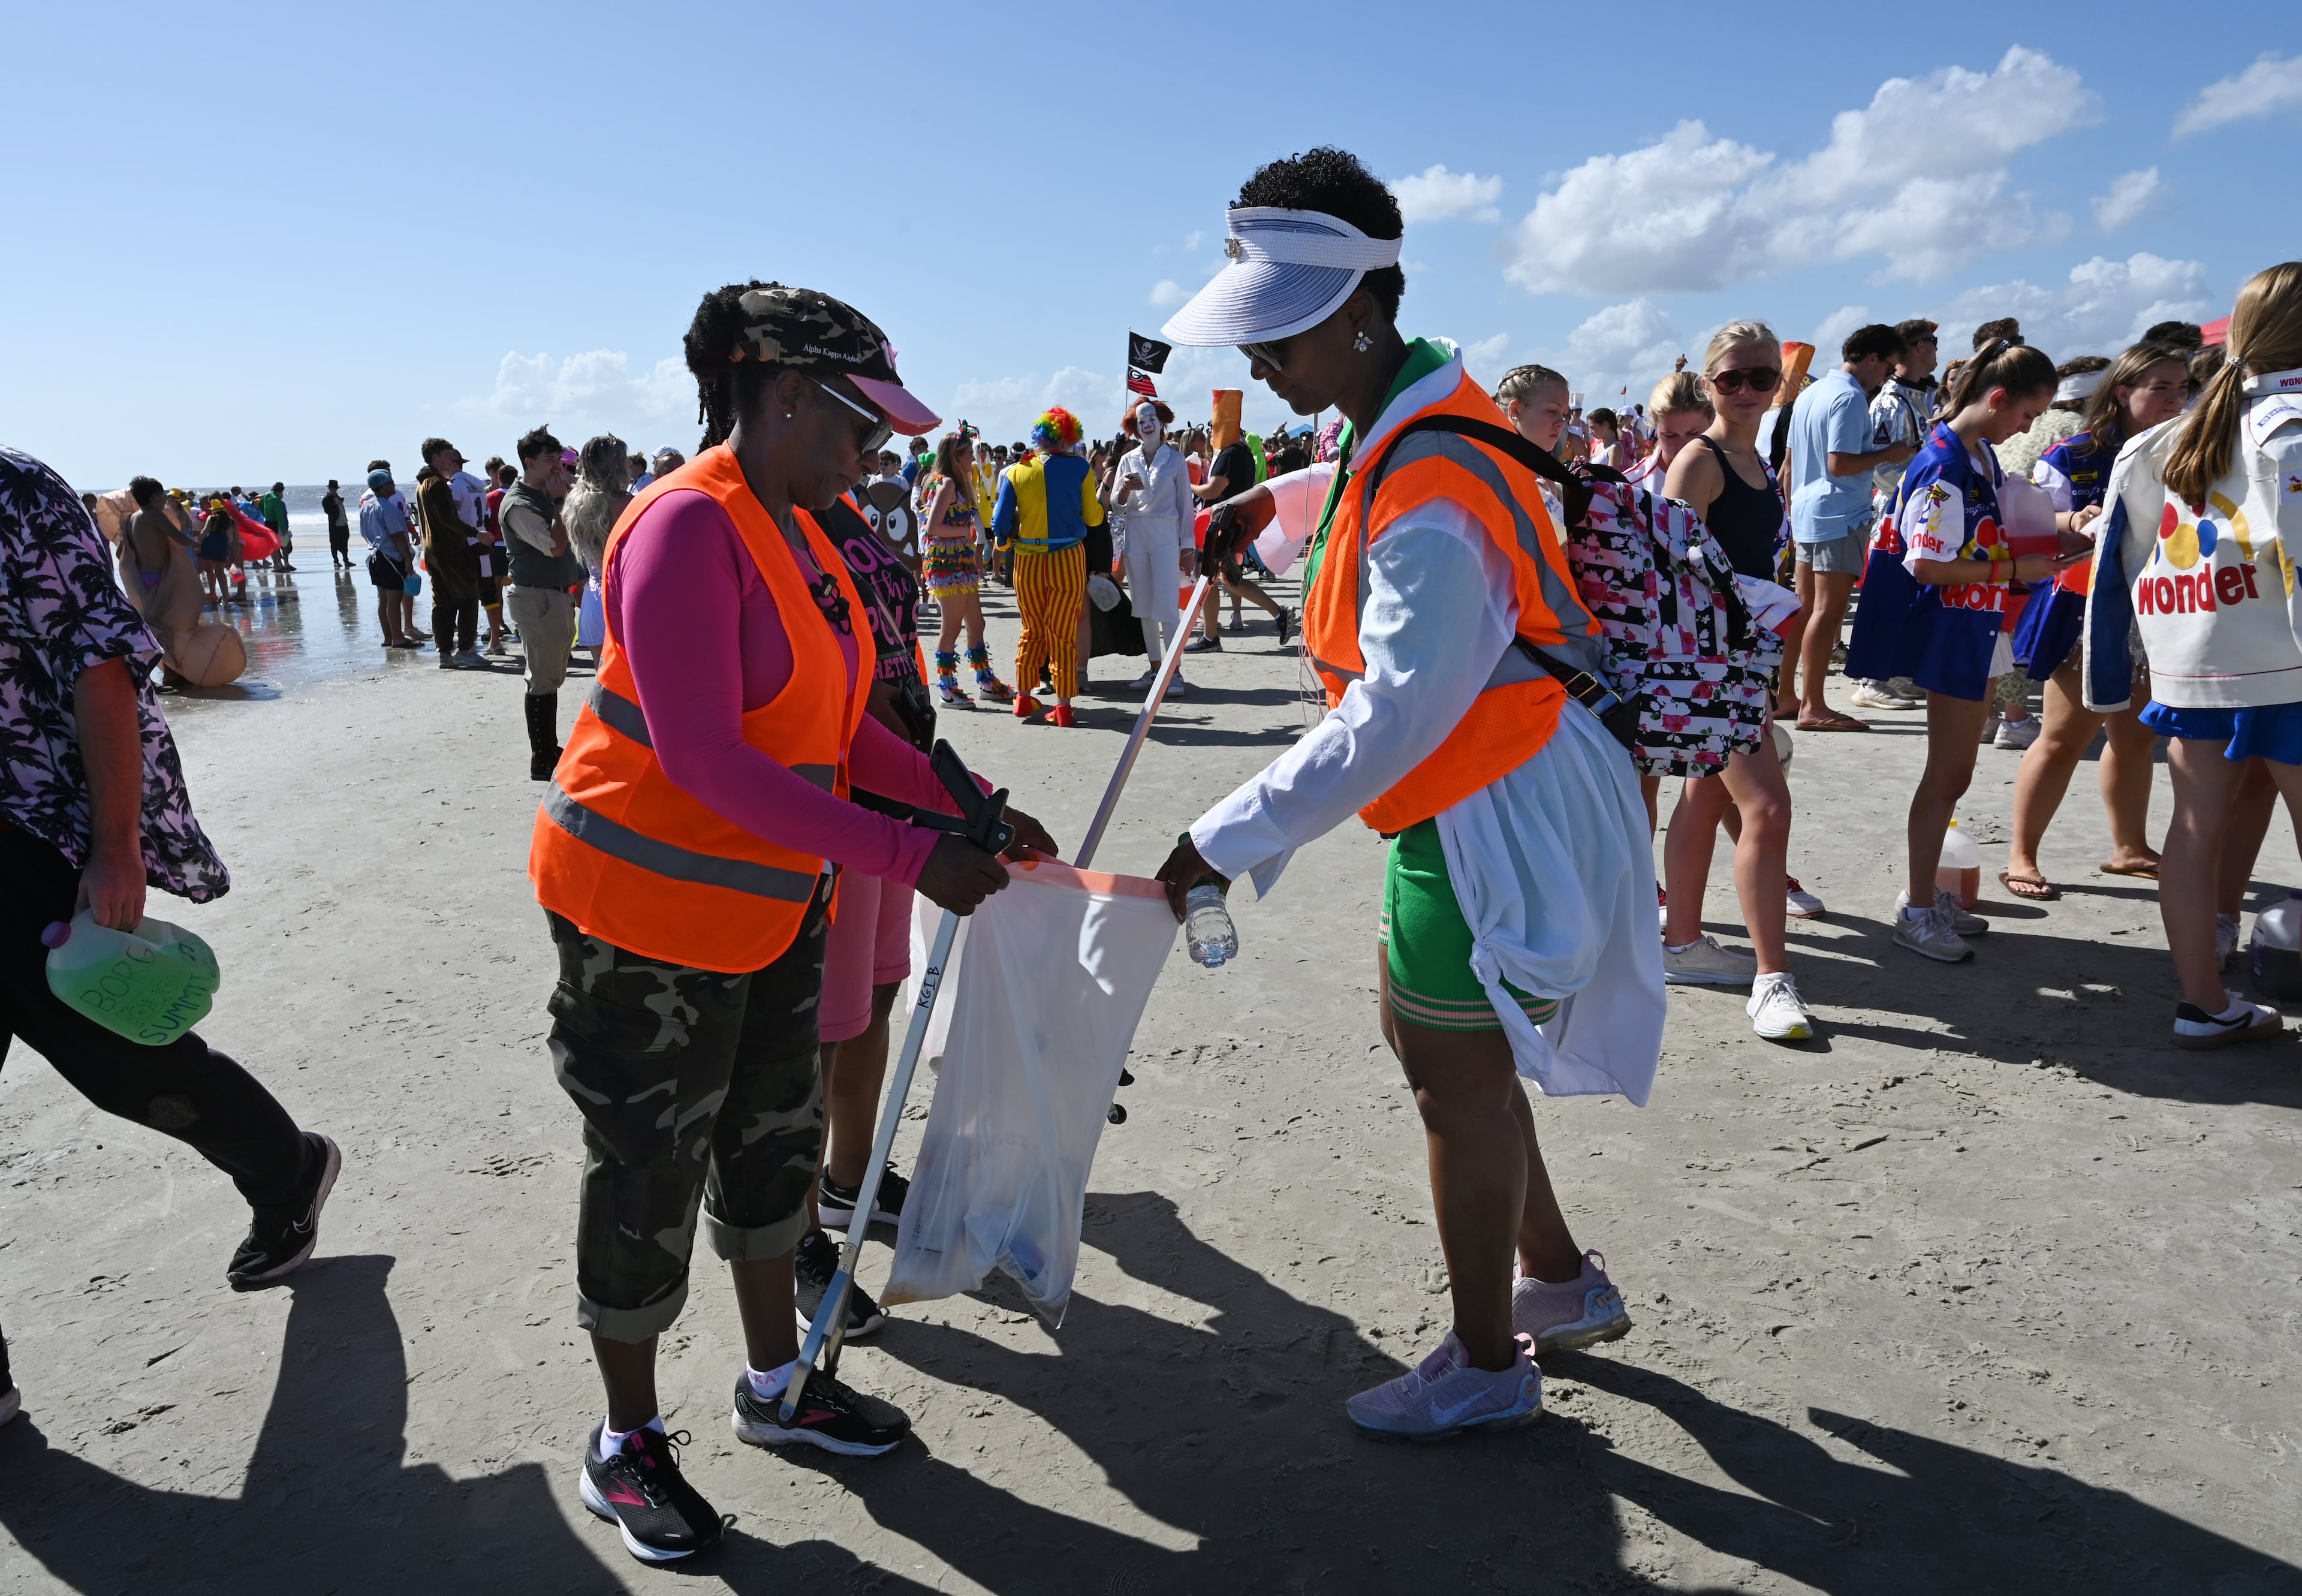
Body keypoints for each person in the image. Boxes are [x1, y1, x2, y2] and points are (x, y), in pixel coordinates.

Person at [528, 279, 1056, 1562]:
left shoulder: (798, 526)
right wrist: (906, 854)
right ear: (773, 394)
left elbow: (839, 727)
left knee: (773, 1149)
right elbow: (709, 756)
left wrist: (964, 802)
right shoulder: (683, 529)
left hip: (764, 911)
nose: (871, 453)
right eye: (854, 425)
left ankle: (779, 1382)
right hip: (642, 922)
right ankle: (626, 1441)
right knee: (649, 1174)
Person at [1153, 146, 1658, 1443]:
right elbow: (1378, 479)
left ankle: (1491, 1360)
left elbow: (1392, 712)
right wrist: (1272, 500)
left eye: (1281, 335)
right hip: (1488, 785)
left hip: (1490, 797)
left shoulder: (1426, 472)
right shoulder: (1423, 405)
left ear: (1359, 312)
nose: (1260, 364)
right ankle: (1555, 1280)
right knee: (1460, 1057)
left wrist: (1220, 838)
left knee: (1449, 1072)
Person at [0, 445, 343, 1429]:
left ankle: (286, 1166)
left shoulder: (14, 493)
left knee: (118, 1062)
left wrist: (117, 844)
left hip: (24, 833)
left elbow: (102, 658)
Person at [2083, 261, 2302, 1046]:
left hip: (2194, 659)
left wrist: (2115, 671)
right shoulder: (2289, 426)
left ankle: (2202, 1002)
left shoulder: (2161, 439)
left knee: (2191, 827)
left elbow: (2119, 564)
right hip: (2286, 660)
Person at [1846, 338, 2086, 962]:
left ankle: (1925, 895)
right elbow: (1926, 564)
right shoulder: (1947, 462)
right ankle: (1918, 906)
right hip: (1955, 627)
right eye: (2028, 416)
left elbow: (1986, 532)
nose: (2028, 428)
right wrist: (2013, 569)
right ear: (1999, 399)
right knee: (1948, 773)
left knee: (1955, 772)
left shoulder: (1973, 454)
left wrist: (2064, 528)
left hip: (1976, 628)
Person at [1659, 322, 1812, 1038]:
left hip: (1744, 656)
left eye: (1762, 379)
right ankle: (1771, 979)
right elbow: (1662, 573)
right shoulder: (1701, 460)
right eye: (1732, 380)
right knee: (1769, 811)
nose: (1747, 391)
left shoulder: (1756, 459)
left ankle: (1683, 942)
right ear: (1709, 383)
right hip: (1712, 664)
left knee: (1702, 798)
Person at [1999, 342, 2189, 899]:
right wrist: (2072, 517)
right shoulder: (2074, 452)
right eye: (2163, 387)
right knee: (2063, 736)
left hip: (2155, 609)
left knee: (2134, 736)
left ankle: (2129, 848)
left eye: (2183, 388)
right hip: (2084, 607)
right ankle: (2022, 855)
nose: (2176, 398)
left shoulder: (2186, 449)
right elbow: (2034, 516)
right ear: (2125, 390)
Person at [1785, 323, 1913, 732]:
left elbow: (1790, 463)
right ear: (1872, 358)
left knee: (1804, 610)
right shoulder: (1850, 397)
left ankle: (1787, 695)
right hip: (1838, 512)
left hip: (1807, 509)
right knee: (1828, 611)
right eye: (1888, 367)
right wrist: (1889, 452)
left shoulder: (1811, 392)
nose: (1887, 377)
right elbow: (1839, 463)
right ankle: (1814, 705)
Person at [1850, 321, 1943, 712]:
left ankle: (1899, 671)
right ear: (1919, 347)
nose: (1938, 350)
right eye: (1934, 343)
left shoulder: (1927, 394)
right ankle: (1872, 680)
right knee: (1888, 594)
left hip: (1922, 511)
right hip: (1895, 513)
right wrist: (1918, 489)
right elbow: (1882, 468)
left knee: (1913, 596)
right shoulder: (1890, 401)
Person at [992, 406, 1102, 726]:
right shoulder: (1081, 468)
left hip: (1027, 560)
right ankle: (1064, 707)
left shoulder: (1016, 470)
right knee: (1063, 633)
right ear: (1070, 436)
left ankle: (1023, 699)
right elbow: (1093, 518)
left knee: (1032, 630)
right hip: (1068, 558)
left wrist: (1003, 545)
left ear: (1039, 437)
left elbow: (999, 522)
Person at [502, 427, 581, 778]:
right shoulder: (519, 503)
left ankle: (549, 749)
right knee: (542, 678)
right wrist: (562, 502)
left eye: (558, 460)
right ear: (529, 463)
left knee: (551, 675)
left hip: (553, 594)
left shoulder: (545, 495)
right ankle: (543, 756)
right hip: (536, 596)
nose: (556, 467)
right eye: (549, 460)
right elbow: (554, 546)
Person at [1105, 398, 1197, 695]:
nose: (1147, 425)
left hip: (1165, 534)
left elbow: (1186, 506)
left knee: (1168, 605)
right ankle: (1156, 668)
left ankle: (1175, 672)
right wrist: (1123, 490)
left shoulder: (1175, 460)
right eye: (1141, 421)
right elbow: (1117, 507)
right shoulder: (1128, 460)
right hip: (1136, 533)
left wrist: (1188, 548)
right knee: (1143, 606)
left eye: (1152, 419)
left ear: (1161, 423)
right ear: (1135, 427)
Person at [1185, 402, 1294, 652]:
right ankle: (1279, 613)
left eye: (1213, 427)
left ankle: (1211, 637)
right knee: (1230, 580)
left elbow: (1214, 490)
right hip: (1232, 526)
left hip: (1219, 526)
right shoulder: (1243, 451)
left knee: (1208, 578)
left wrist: (1186, 485)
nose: (1210, 433)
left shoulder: (1229, 454)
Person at [917, 433, 1010, 706]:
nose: (973, 458)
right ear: (954, 457)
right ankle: (947, 688)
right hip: (947, 567)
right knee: (951, 628)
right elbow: (933, 527)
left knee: (976, 624)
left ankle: (985, 681)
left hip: (961, 563)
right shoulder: (946, 485)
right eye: (969, 453)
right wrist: (964, 532)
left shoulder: (960, 484)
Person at [415, 441, 489, 669]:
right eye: (448, 456)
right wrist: (477, 533)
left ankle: (445, 653)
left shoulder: (423, 485)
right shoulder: (436, 484)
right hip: (450, 550)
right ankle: (466, 650)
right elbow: (449, 520)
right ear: (435, 457)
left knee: (443, 602)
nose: (452, 460)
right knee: (468, 599)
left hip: (433, 551)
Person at [564, 435, 632, 671]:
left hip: (593, 598)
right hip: (625, 598)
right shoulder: (629, 504)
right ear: (616, 465)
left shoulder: (576, 503)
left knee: (604, 682)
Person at [357, 467, 417, 647]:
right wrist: (407, 559)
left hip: (374, 556)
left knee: (383, 598)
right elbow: (397, 535)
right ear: (383, 487)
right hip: (389, 556)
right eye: (391, 483)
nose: (394, 485)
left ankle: (389, 637)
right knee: (394, 597)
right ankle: (398, 637)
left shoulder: (366, 507)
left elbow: (364, 533)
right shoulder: (387, 508)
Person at [258, 480, 291, 571]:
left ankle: (277, 565)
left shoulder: (267, 495)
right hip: (276, 523)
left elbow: (259, 505)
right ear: (282, 490)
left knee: (273, 545)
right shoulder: (276, 500)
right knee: (281, 544)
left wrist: (265, 514)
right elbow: (280, 516)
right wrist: (284, 529)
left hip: (268, 523)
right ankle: (280, 565)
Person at [321, 478, 352, 572]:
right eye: (333, 489)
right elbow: (328, 510)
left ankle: (346, 560)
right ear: (330, 489)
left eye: (335, 489)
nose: (334, 490)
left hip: (343, 523)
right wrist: (336, 505)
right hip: (335, 524)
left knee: (345, 541)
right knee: (334, 543)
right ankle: (336, 560)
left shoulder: (338, 497)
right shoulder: (327, 499)